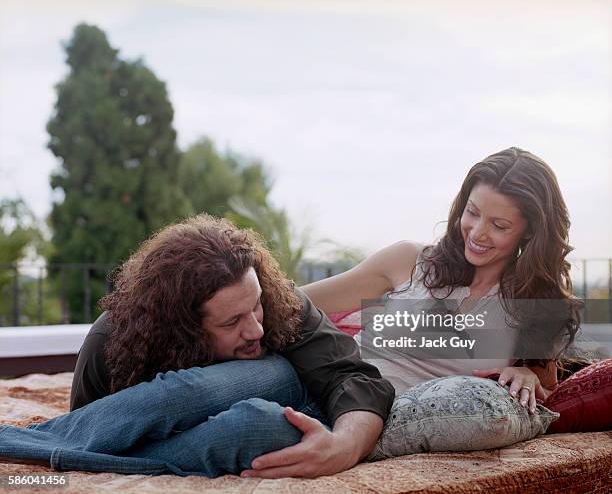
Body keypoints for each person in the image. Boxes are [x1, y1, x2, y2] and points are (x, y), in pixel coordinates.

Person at [0, 215, 395, 478]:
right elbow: (91, 426)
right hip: (249, 426)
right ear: (183, 326)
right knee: (240, 418)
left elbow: (356, 377)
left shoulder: (282, 306)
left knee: (265, 398)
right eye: (231, 321)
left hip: (292, 399)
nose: (256, 328)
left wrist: (343, 447)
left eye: (255, 305)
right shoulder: (112, 340)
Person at [302, 147, 581, 421]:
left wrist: (527, 374)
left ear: (531, 230)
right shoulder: (411, 260)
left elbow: (546, 386)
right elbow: (296, 301)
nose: (478, 233)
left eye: (499, 225)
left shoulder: (534, 306)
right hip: (321, 385)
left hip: (365, 418)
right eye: (472, 212)